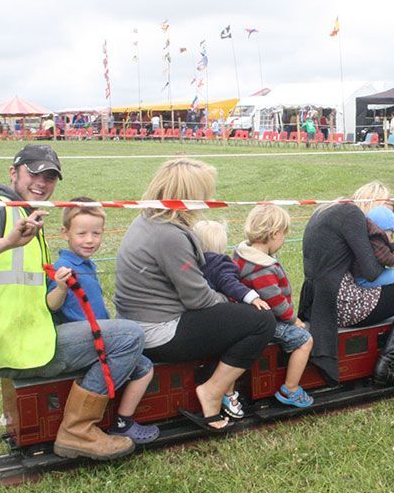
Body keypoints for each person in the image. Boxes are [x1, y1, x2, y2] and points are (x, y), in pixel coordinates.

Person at [0, 145, 148, 461]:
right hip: (16, 346)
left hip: (21, 339)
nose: (42, 182)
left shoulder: (25, 214)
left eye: (50, 176)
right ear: (13, 173)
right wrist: (7, 242)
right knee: (129, 335)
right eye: (34, 173)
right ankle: (79, 431)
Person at [114, 158, 276, 432]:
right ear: (189, 195)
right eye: (204, 193)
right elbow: (198, 299)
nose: (208, 198)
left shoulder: (147, 221)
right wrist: (231, 303)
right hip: (160, 332)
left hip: (140, 322)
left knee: (236, 318)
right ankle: (213, 390)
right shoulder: (169, 235)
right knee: (262, 321)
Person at [299, 182, 394, 386]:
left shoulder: (327, 209)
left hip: (317, 301)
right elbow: (371, 273)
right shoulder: (353, 217)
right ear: (377, 205)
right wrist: (392, 259)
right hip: (347, 302)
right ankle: (388, 364)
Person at [47, 199, 159, 444]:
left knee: (142, 361)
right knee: (142, 363)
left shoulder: (87, 264)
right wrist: (61, 287)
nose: (90, 240)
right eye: (82, 233)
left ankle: (118, 418)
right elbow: (51, 304)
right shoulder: (62, 267)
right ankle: (109, 423)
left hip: (100, 335)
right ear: (64, 233)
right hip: (84, 341)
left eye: (96, 233)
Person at [233, 205, 316, 408]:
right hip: (268, 321)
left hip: (248, 318)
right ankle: (291, 389)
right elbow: (275, 301)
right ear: (275, 233)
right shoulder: (262, 268)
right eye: (284, 235)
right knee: (305, 340)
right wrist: (293, 319)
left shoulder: (243, 254)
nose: (284, 240)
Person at [191, 218, 271, 419]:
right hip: (221, 314)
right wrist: (253, 297)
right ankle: (227, 392)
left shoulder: (191, 263)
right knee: (235, 347)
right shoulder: (221, 262)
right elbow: (230, 284)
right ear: (221, 244)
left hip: (197, 317)